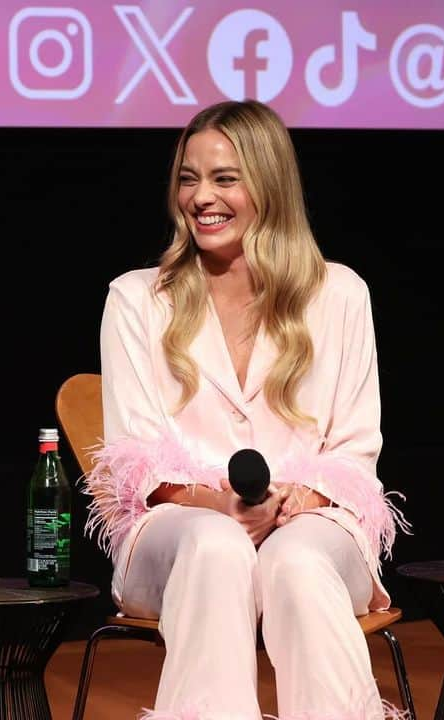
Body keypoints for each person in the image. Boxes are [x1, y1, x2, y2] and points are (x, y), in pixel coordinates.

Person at [82, 100, 410, 720]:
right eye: (188, 178)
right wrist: (220, 505)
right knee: (217, 545)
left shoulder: (339, 293)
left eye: (224, 178)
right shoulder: (135, 300)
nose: (201, 197)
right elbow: (136, 463)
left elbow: (355, 448)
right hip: (177, 530)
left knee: (298, 561)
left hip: (312, 519)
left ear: (268, 184)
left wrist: (298, 500)